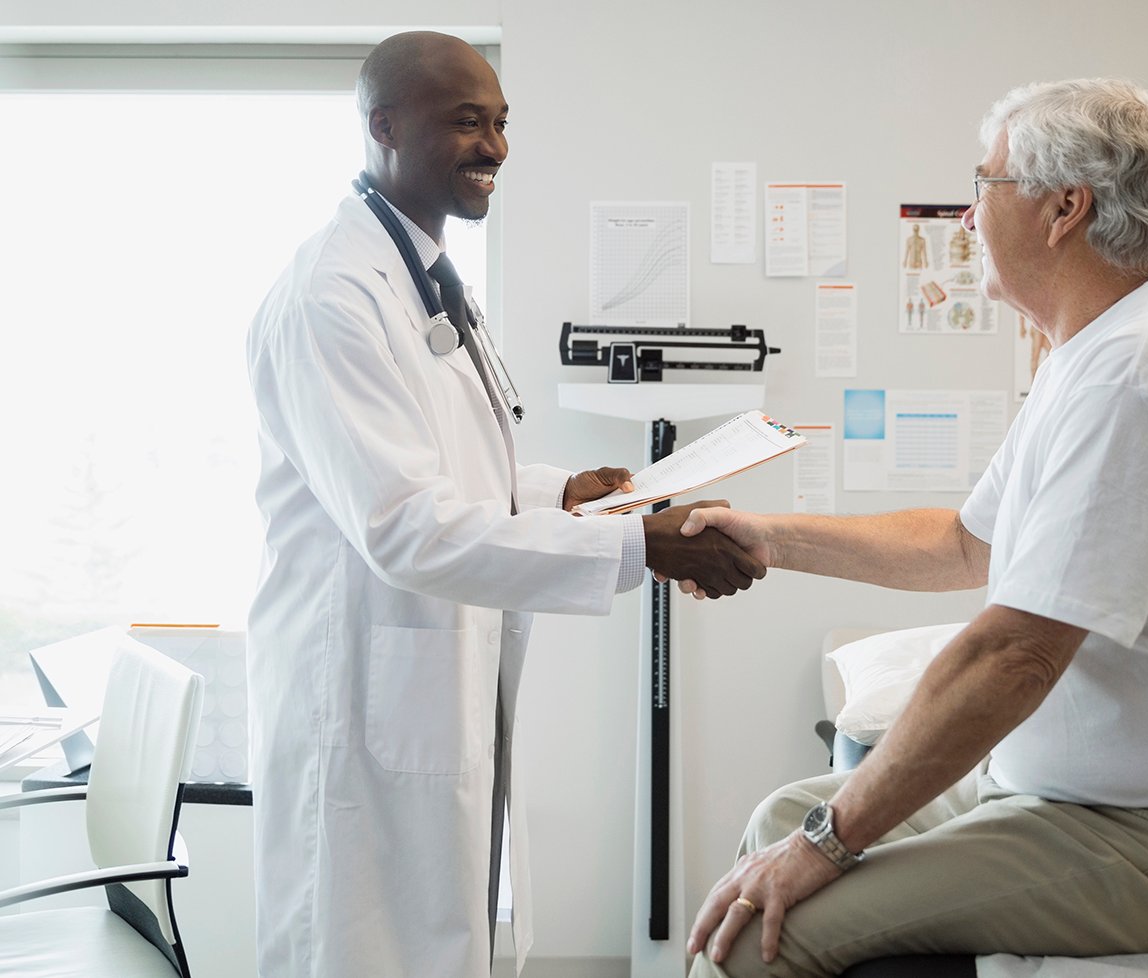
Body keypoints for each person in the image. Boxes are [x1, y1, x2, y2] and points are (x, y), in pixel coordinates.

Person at [679, 79, 1148, 976]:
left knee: (761, 937)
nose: (964, 216)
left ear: (1066, 208)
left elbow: (1015, 654)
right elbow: (966, 544)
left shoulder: (1145, 374)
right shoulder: (1093, 352)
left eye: (983, 185)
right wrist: (774, 538)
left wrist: (829, 845)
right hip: (1085, 800)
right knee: (776, 824)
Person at [245, 31, 763, 978]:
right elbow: (403, 524)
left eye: (501, 123)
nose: (496, 148)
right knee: (364, 949)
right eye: (467, 122)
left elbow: (447, 470)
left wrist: (563, 492)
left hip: (430, 684)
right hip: (358, 703)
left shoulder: (423, 277)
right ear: (384, 127)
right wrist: (639, 550)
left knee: (446, 941)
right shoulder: (332, 295)